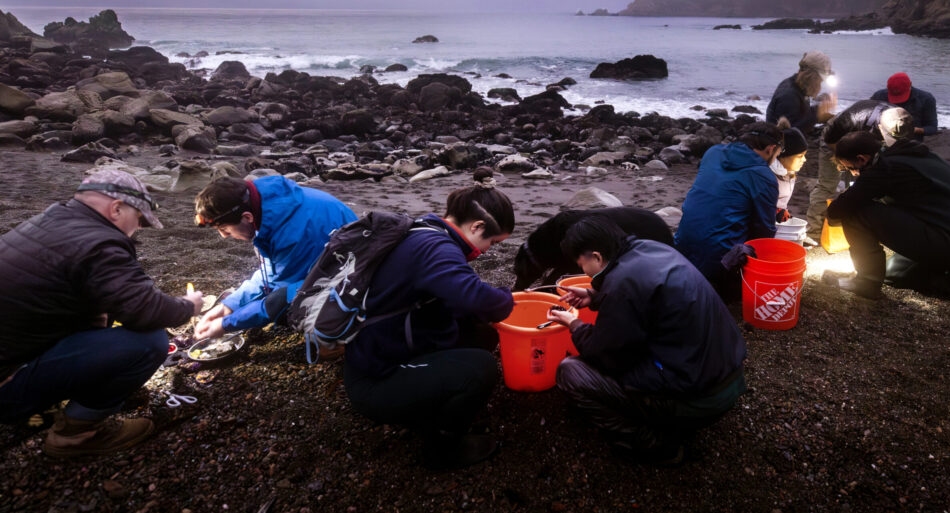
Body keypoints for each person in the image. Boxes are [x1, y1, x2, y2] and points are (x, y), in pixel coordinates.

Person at [0, 170, 203, 457]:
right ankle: (75, 435)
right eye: (140, 220)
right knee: (149, 342)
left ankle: (76, 394)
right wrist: (189, 305)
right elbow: (145, 311)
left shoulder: (52, 221)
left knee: (103, 322)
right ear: (117, 208)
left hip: (13, 355)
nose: (138, 229)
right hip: (7, 384)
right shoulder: (99, 242)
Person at [343, 167, 516, 469]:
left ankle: (433, 395)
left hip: (385, 345)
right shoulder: (437, 249)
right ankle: (444, 447)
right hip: (375, 379)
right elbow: (479, 298)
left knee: (482, 334)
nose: (489, 252)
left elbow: (453, 298)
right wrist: (509, 297)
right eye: (494, 244)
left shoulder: (424, 230)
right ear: (477, 226)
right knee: (481, 368)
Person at [547, 216, 746, 464]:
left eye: (582, 264)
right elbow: (648, 298)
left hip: (701, 398)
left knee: (571, 372)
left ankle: (655, 442)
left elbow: (605, 355)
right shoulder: (651, 249)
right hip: (727, 376)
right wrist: (595, 295)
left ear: (597, 257)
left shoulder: (623, 284)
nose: (583, 272)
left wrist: (574, 324)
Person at [822, 132, 950, 310]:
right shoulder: (905, 154)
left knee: (855, 213)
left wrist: (853, 198)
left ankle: (866, 283)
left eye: (850, 168)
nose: (853, 174)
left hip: (948, 240)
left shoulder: (884, 169)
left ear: (862, 159)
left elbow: (837, 212)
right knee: (893, 273)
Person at [192, 175, 357, 340]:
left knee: (293, 312)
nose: (224, 236)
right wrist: (229, 306)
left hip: (356, 281)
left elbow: (284, 296)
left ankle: (338, 339)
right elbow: (272, 273)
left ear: (247, 217)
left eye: (224, 228)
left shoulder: (292, 234)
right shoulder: (270, 207)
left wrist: (226, 324)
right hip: (335, 261)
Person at [674, 122, 783, 294]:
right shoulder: (763, 175)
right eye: (779, 153)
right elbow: (764, 230)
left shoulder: (713, 152)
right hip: (720, 264)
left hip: (682, 248)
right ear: (771, 149)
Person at [805, 100, 913, 240]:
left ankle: (863, 230)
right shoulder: (849, 122)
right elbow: (831, 140)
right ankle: (813, 233)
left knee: (865, 185)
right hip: (835, 141)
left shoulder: (903, 122)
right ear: (880, 128)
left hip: (864, 147)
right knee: (827, 185)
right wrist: (845, 165)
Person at [765, 50, 838, 134]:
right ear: (810, 76)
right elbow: (788, 133)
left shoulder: (800, 87)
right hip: (776, 143)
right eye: (819, 81)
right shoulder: (789, 95)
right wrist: (816, 115)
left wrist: (819, 112)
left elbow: (799, 115)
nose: (819, 86)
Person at [871, 72, 938, 141]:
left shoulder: (926, 99)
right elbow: (868, 118)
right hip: (882, 139)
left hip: (911, 142)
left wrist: (912, 130)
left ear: (910, 85)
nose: (898, 102)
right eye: (894, 95)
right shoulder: (879, 96)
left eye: (900, 96)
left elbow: (932, 128)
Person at [770, 118, 809, 224]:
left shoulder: (789, 173)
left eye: (804, 155)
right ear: (781, 155)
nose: (804, 160)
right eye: (800, 156)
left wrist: (782, 210)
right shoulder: (769, 176)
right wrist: (777, 212)